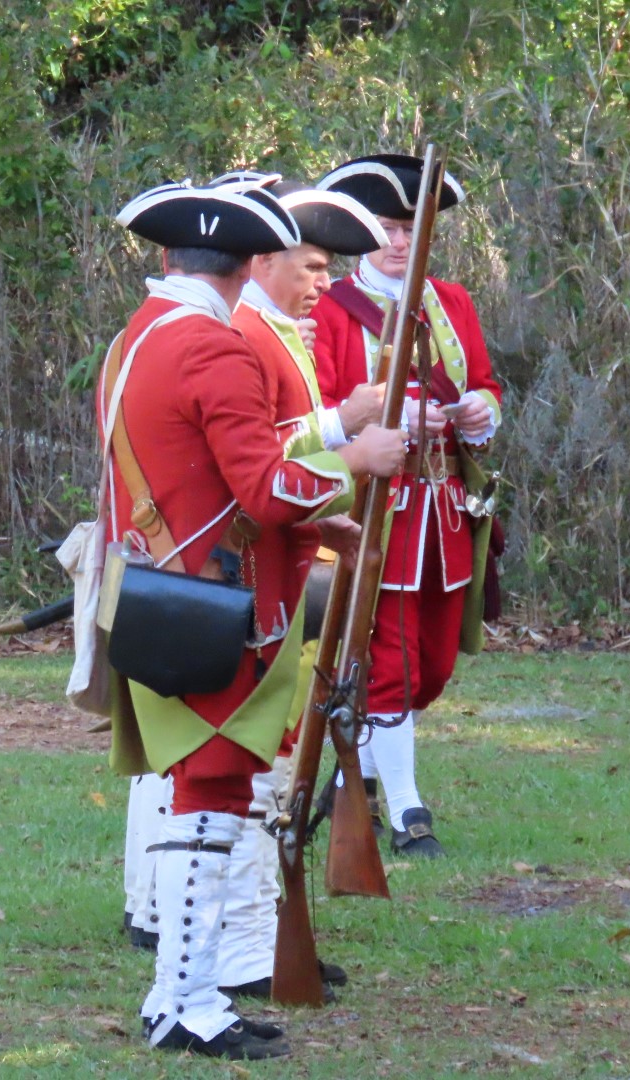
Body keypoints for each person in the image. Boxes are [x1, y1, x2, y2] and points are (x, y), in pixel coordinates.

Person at [103, 179, 407, 1059]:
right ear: (245, 267)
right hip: (219, 608)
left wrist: (317, 521)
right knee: (211, 799)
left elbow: (200, 479)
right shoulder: (212, 346)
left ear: (171, 257)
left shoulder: (142, 333)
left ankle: (183, 993)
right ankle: (184, 1003)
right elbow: (265, 486)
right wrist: (356, 460)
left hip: (165, 596)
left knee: (203, 796)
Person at [215, 177, 389, 1004]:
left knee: (277, 764)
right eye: (310, 265)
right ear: (262, 263)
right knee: (258, 770)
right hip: (258, 575)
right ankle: (248, 947)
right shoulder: (246, 333)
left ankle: (257, 940)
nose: (325, 282)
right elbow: (259, 466)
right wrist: (348, 438)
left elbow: (278, 449)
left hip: (288, 562)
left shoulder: (274, 331)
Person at [310, 153, 503, 858]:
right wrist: (384, 426)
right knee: (391, 664)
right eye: (386, 228)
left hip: (444, 512)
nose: (398, 242)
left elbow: (484, 385)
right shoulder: (331, 308)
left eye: (410, 229)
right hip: (373, 509)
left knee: (433, 665)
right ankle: (407, 813)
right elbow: (316, 413)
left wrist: (479, 411)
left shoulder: (451, 301)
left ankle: (352, 774)